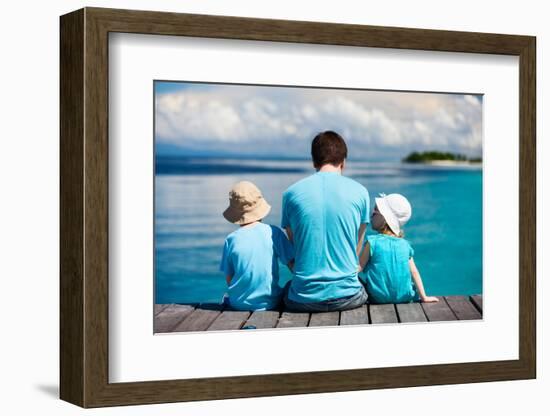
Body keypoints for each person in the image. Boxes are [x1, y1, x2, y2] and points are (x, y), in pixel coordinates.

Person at [281, 131, 369, 312]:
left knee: (286, 288)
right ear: (343, 162)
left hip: (303, 298)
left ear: (314, 161)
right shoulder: (361, 192)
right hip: (349, 296)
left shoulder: (290, 194)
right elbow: (356, 247)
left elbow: (294, 245)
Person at [220, 181, 295, 311]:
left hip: (238, 303)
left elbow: (229, 279)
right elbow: (293, 267)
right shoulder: (274, 233)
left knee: (228, 295)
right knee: (289, 285)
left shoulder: (231, 239)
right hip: (270, 303)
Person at [359, 193, 439, 304]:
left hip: (377, 298)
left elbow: (358, 268)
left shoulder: (372, 242)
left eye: (376, 210)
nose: (372, 213)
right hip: (404, 297)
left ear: (385, 217)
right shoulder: (405, 245)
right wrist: (424, 297)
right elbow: (414, 272)